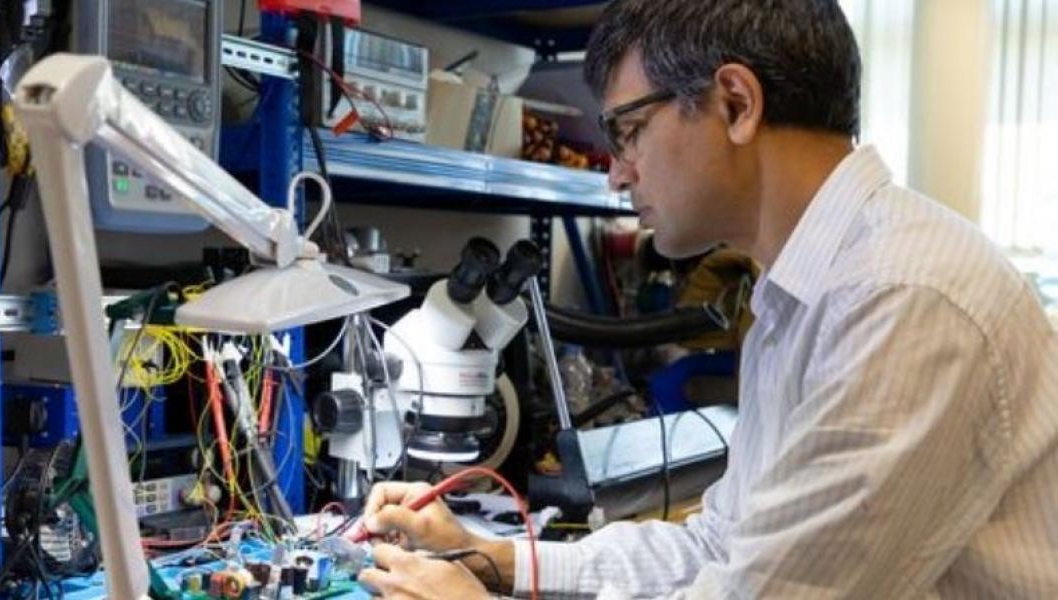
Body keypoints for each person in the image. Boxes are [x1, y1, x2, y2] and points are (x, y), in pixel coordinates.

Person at [356, 1, 1058, 598]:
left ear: (736, 103)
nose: (616, 177)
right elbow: (726, 546)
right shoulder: (802, 292)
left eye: (628, 131)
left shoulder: (899, 296)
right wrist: (500, 560)